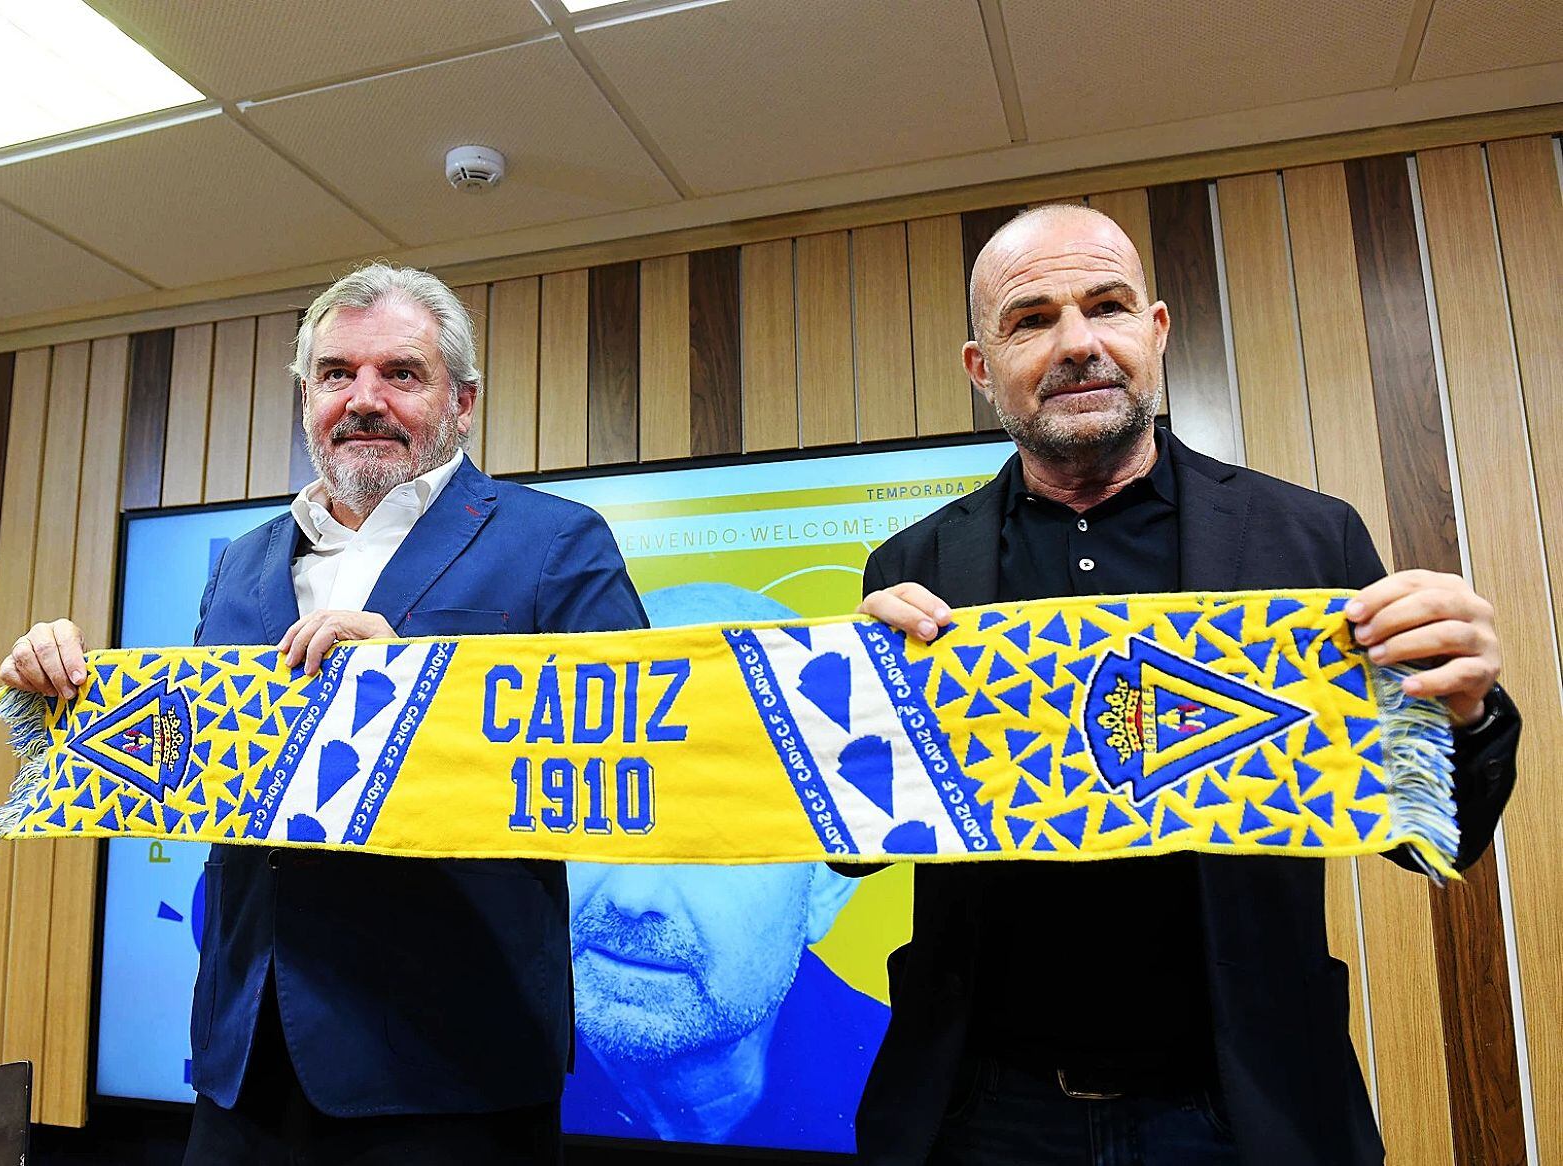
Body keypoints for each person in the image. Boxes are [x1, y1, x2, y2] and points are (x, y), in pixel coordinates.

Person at [847, 205, 1519, 1166]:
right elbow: (858, 853)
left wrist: (1466, 709)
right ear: (980, 366)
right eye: (1031, 320)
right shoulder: (910, 567)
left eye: (1107, 306)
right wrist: (846, 717)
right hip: (980, 1106)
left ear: (1155, 333)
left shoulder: (1310, 541)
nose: (1078, 343)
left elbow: (1423, 845)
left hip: (1240, 1101)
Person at [0, 263, 647, 1164]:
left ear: (463, 402)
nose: (364, 398)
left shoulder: (554, 541)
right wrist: (64, 691)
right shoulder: (243, 563)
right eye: (338, 374)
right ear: (308, 398)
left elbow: (625, 764)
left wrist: (421, 685)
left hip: (454, 1073)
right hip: (242, 1065)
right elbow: (195, 765)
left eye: (401, 374)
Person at [563, 583, 890, 1153]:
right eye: (605, 810)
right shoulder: (454, 1068)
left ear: (830, 882)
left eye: (715, 836)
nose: (635, 895)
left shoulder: (926, 1099)